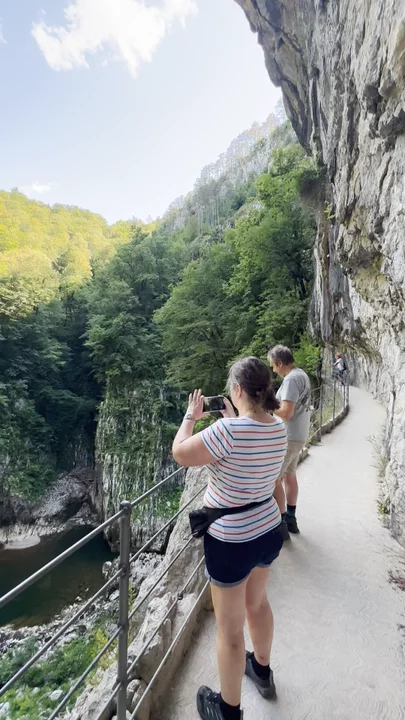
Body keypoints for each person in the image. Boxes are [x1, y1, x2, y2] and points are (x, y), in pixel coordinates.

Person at [172, 357, 287, 720]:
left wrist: (191, 416)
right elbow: (258, 464)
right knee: (258, 603)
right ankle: (262, 671)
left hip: (231, 542)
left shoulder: (227, 432)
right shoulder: (277, 427)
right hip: (268, 528)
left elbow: (180, 453)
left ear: (237, 390)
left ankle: (228, 710)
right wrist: (232, 418)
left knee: (230, 630)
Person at [268, 345, 311, 536]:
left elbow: (286, 413)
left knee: (273, 480)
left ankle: (280, 525)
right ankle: (291, 519)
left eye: (273, 365)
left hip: (288, 438)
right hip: (298, 435)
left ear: (280, 363)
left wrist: (268, 404)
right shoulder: (302, 375)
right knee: (290, 476)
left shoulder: (291, 380)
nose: (273, 370)